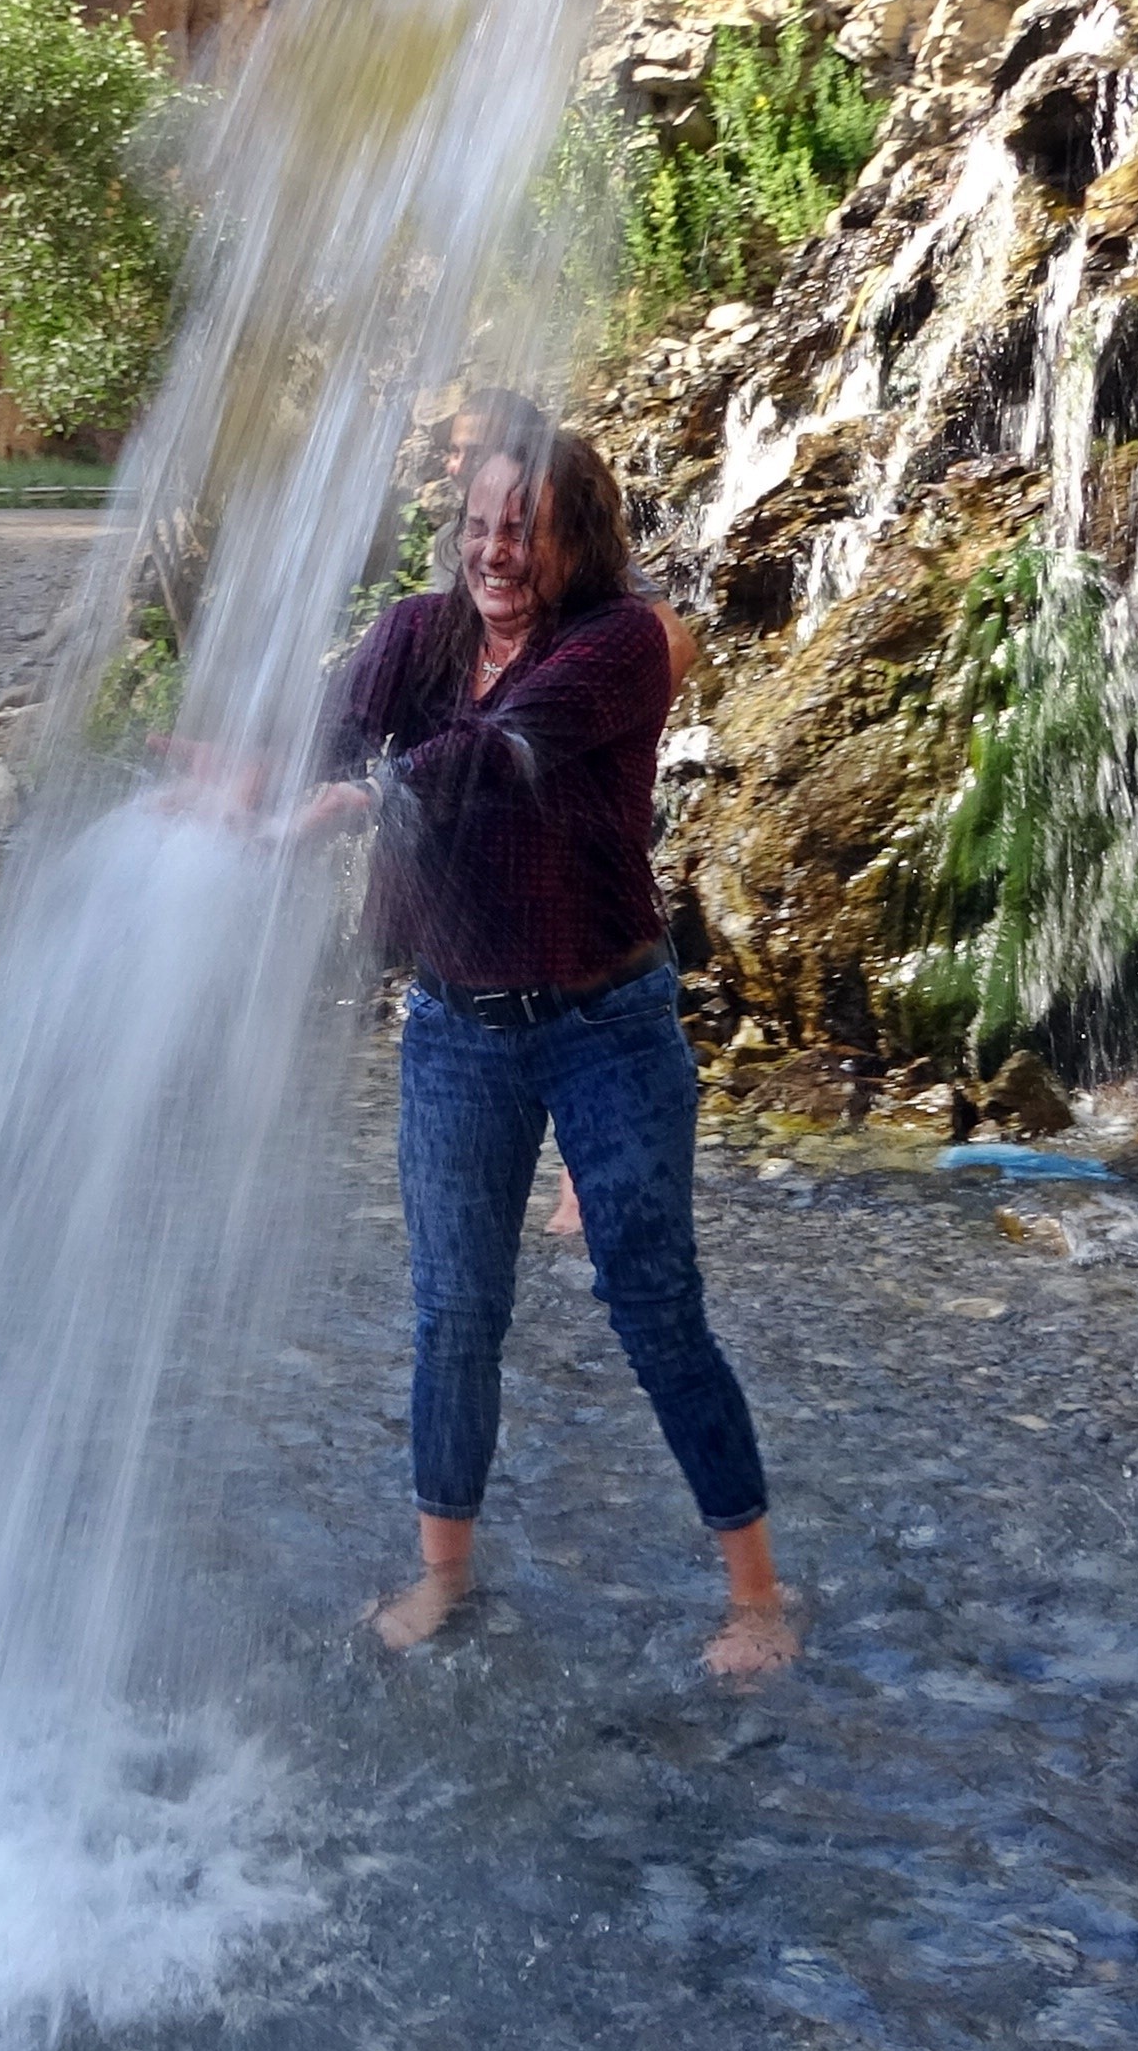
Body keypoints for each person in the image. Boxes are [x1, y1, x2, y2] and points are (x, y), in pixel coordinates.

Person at [306, 426, 795, 1679]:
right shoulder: (419, 634)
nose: (493, 550)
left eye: (521, 528)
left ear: (580, 537)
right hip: (455, 1027)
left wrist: (370, 798)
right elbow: (335, 729)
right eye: (477, 525)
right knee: (455, 1315)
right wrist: (265, 785)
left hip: (605, 1027)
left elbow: (500, 751)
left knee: (654, 1307)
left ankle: (756, 1596)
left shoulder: (619, 645)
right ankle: (445, 1574)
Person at [443, 390, 698, 1237]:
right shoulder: (487, 534)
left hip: (577, 790)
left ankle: (584, 1177)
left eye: (468, 444)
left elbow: (671, 637)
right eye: (453, 449)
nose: (452, 459)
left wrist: (585, 718)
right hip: (506, 810)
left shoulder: (562, 535)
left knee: (595, 954)